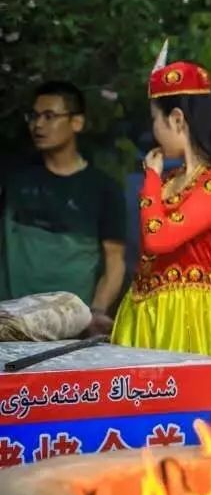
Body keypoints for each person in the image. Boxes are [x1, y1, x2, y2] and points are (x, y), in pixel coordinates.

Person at [111, 44, 211, 419]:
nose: (153, 131)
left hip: (188, 317)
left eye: (154, 121)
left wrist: (150, 179)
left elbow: (157, 238)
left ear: (176, 119)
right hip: (142, 313)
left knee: (185, 424)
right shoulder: (172, 179)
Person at [0, 81, 126, 335]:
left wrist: (97, 311)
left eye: (50, 116)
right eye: (34, 116)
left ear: (76, 122)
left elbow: (115, 261)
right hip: (8, 324)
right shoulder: (11, 178)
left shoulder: (104, 189)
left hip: (71, 325)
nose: (38, 124)